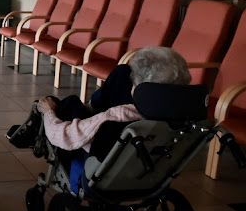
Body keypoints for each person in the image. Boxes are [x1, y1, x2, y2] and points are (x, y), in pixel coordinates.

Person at [37, 46, 191, 156]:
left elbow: (66, 136)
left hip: (104, 146)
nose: (131, 82)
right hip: (145, 152)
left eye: (135, 81)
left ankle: (35, 129)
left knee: (68, 103)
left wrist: (49, 112)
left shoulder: (119, 114)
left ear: (143, 89)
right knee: (123, 71)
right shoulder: (184, 113)